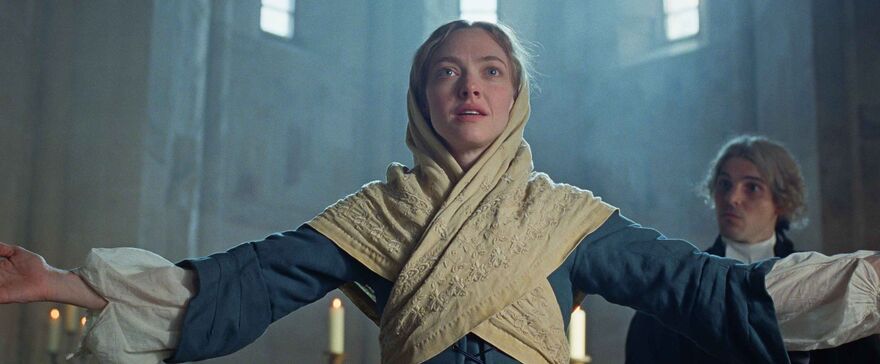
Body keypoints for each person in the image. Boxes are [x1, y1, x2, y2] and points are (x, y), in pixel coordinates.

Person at [1, 20, 880, 364]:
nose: (471, 86)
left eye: (491, 71)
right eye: (448, 74)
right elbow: (244, 280)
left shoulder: (566, 220)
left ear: (514, 96)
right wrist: (61, 282)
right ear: (422, 99)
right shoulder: (372, 218)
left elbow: (707, 287)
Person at [626, 135, 880, 364]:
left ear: (781, 200)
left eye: (752, 187)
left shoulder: (823, 284)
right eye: (724, 184)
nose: (732, 198)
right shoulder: (677, 285)